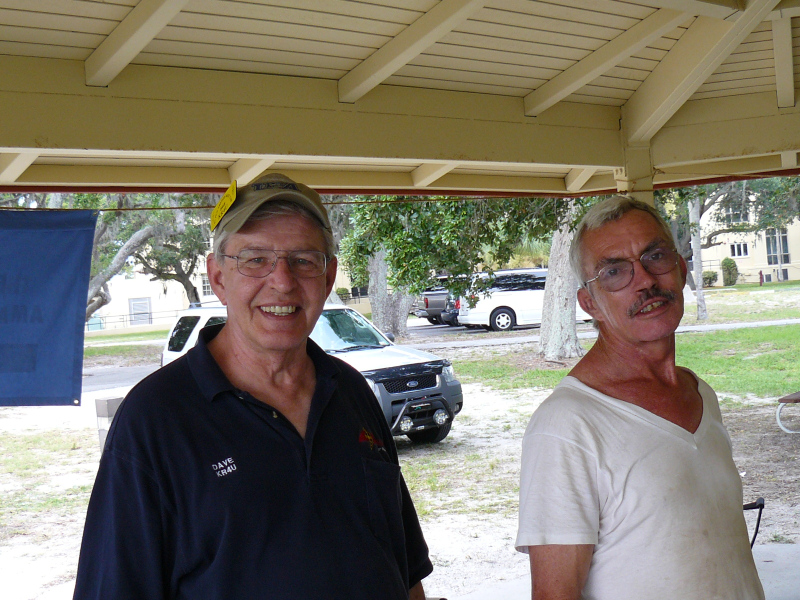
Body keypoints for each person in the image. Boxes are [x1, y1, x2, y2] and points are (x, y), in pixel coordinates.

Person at [73, 173, 432, 600]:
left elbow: (404, 568)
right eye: (255, 259)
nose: (282, 281)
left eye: (304, 260)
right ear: (218, 277)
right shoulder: (154, 419)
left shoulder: (350, 391)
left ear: (328, 277)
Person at [515, 196, 763, 600]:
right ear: (590, 303)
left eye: (655, 256)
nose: (645, 281)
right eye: (614, 271)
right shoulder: (567, 426)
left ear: (681, 269)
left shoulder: (699, 394)